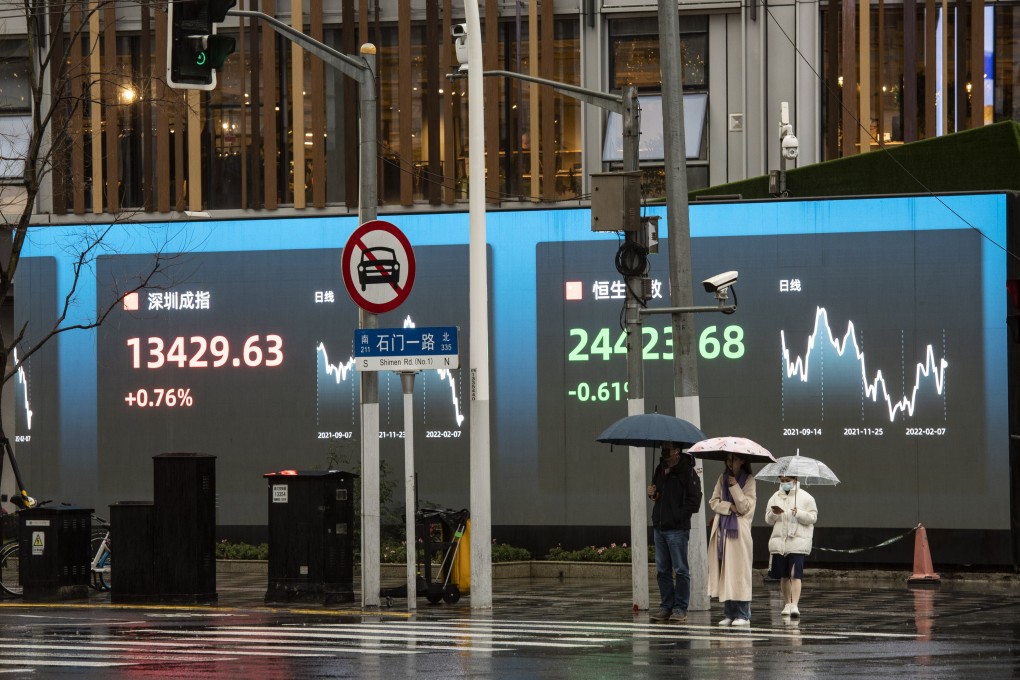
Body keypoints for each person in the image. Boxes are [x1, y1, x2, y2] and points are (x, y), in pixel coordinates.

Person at [646, 442, 703, 624]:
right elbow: (658, 496)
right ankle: (666, 606)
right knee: (662, 570)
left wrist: (678, 516)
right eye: (662, 448)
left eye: (667, 448)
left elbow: (695, 501)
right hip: (660, 527)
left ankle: (680, 608)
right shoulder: (660, 468)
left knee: (680, 569)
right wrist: (653, 494)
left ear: (677, 451)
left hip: (677, 529)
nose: (664, 451)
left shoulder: (687, 472)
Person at [708, 452, 756, 627]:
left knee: (739, 573)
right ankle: (729, 613)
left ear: (742, 461)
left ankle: (743, 614)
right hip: (723, 530)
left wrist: (735, 487)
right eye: (728, 459)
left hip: (739, 533)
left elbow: (744, 508)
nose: (730, 462)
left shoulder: (749, 480)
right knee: (725, 571)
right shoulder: (722, 478)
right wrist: (729, 507)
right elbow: (713, 501)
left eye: (734, 459)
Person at [765, 475, 817, 618]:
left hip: (798, 541)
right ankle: (787, 603)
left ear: (795, 480)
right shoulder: (775, 497)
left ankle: (795, 604)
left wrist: (799, 513)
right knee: (784, 575)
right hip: (780, 542)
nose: (784, 483)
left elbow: (813, 517)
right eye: (782, 481)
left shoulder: (806, 497)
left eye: (787, 480)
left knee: (795, 574)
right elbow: (768, 519)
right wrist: (774, 514)